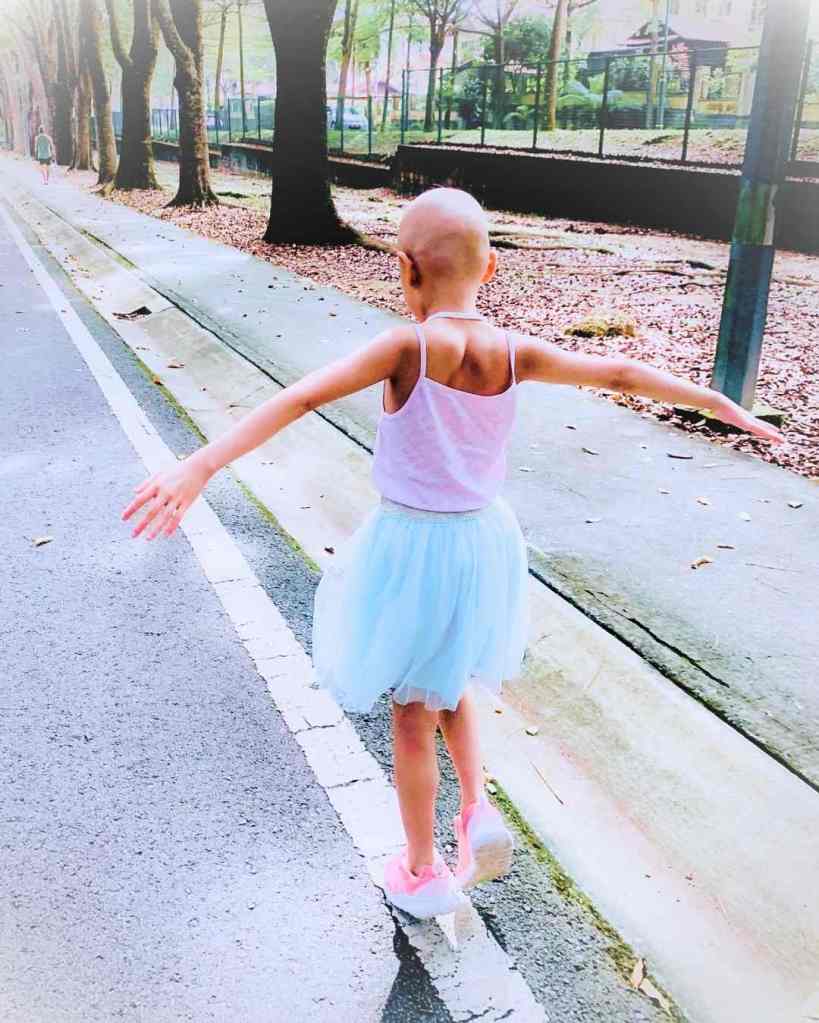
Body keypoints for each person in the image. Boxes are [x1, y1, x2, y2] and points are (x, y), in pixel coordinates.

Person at [121, 188, 782, 920]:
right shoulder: (513, 351)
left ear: (404, 267)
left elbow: (300, 398)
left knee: (410, 711)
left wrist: (201, 465)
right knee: (451, 675)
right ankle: (475, 809)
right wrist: (720, 403)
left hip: (412, 545)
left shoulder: (406, 346)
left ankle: (420, 868)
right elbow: (620, 376)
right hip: (484, 540)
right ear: (490, 266)